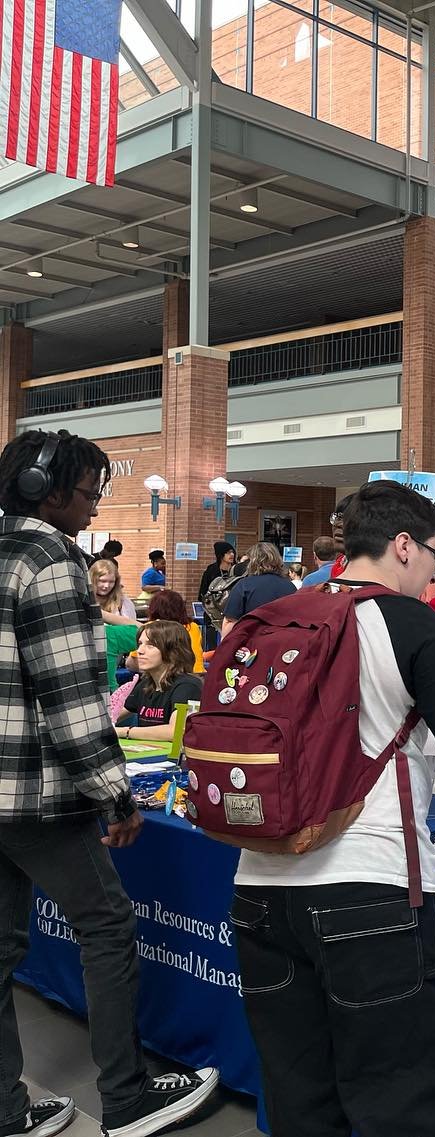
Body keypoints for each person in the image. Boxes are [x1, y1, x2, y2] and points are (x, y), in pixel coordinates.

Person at [229, 479, 435, 1137]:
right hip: (373, 894)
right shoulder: (412, 624)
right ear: (403, 545)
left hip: (259, 887)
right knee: (398, 1103)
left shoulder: (276, 615)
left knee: (299, 1103)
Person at [0, 429, 219, 1137]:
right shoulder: (49, 558)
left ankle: (6, 1108)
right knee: (107, 926)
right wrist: (115, 795)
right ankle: (126, 1100)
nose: (95, 509)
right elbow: (70, 699)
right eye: (90, 492)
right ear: (45, 488)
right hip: (37, 797)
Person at [114, 622, 202, 743]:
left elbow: (176, 731)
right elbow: (112, 716)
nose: (139, 651)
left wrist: (125, 731)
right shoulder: (145, 685)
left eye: (150, 645)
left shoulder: (188, 686)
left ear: (173, 651)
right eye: (140, 644)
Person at [221, 543, 295, 638]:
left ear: (253, 561)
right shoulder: (290, 587)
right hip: (283, 645)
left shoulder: (243, 585)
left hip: (251, 645)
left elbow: (230, 621)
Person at [140, 589, 204, 673]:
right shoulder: (193, 627)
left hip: (171, 677)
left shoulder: (150, 628)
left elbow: (133, 661)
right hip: (198, 674)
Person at [89, 557, 138, 625]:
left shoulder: (123, 602)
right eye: (102, 581)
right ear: (92, 580)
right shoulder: (83, 600)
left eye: (111, 582)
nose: (107, 585)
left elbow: (131, 628)